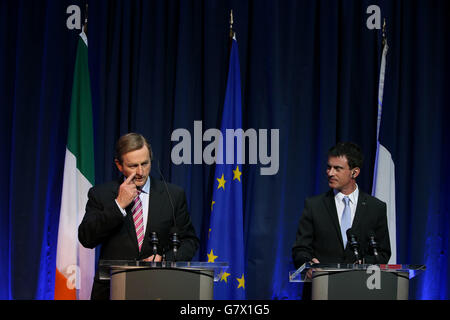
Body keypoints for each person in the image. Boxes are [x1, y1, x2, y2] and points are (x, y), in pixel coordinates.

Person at [78, 133, 199, 300]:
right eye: (133, 166)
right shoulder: (101, 194)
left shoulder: (173, 195)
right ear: (119, 165)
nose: (141, 172)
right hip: (112, 290)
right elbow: (86, 238)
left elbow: (189, 241)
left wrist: (165, 259)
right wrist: (118, 205)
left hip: (159, 290)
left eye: (145, 163)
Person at [292, 142, 391, 277]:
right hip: (321, 286)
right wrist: (308, 263)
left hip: (360, 287)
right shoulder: (314, 206)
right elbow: (300, 249)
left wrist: (362, 264)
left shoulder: (376, 207)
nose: (330, 173)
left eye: (337, 168)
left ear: (354, 172)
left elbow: (383, 253)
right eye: (329, 167)